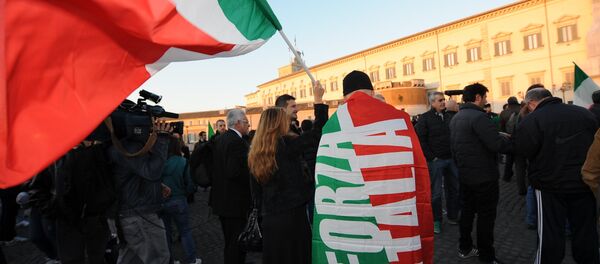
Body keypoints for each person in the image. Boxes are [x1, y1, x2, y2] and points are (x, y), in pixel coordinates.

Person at [516, 88, 599, 264]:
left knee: (549, 233)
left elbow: (524, 151)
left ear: (531, 103)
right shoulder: (584, 113)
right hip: (583, 183)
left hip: (548, 187)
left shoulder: (532, 120)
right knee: (586, 231)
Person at [248, 103, 326, 263]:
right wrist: (318, 101)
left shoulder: (254, 152)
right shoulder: (286, 144)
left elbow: (255, 192)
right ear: (278, 124)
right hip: (293, 218)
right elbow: (318, 133)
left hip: (270, 220)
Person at [449, 83, 512, 264]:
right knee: (486, 217)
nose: (485, 100)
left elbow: (456, 146)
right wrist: (511, 142)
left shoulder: (457, 117)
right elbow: (496, 145)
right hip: (484, 177)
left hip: (465, 175)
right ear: (477, 97)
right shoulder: (479, 117)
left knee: (467, 212)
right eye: (484, 97)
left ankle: (465, 247)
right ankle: (487, 256)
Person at [110, 119, 172, 264]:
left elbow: (135, 173)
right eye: (151, 127)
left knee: (131, 260)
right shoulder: (130, 148)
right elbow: (152, 171)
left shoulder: (124, 147)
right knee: (158, 259)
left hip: (134, 213)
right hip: (141, 215)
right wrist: (162, 138)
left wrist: (157, 186)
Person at [210, 109, 251, 264]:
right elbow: (234, 172)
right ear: (238, 123)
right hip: (234, 203)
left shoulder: (221, 139)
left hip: (222, 200)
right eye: (246, 122)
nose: (248, 125)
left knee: (230, 242)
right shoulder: (236, 142)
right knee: (236, 243)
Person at [416, 92, 460, 234]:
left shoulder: (448, 117)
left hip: (450, 159)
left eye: (444, 100)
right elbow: (420, 139)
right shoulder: (425, 119)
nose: (443, 102)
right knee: (436, 193)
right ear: (432, 102)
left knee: (454, 189)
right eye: (440, 100)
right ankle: (436, 221)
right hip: (436, 161)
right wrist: (431, 157)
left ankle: (453, 216)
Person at [160, 136, 200, 264]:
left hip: (162, 202)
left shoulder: (158, 162)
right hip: (179, 200)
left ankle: (170, 260)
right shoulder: (183, 161)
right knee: (185, 231)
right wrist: (185, 193)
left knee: (166, 233)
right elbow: (190, 184)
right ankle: (192, 260)